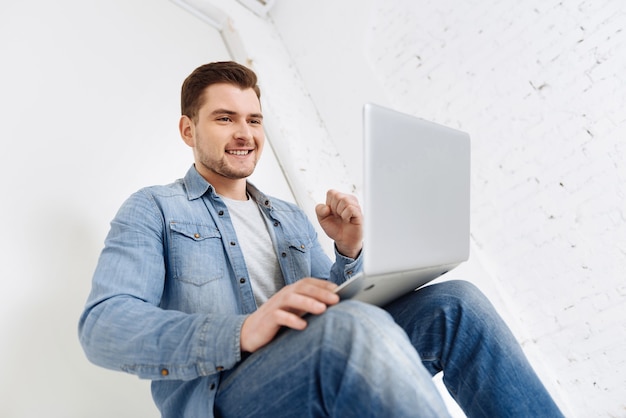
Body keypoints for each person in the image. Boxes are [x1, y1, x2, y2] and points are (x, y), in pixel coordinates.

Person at [78, 61, 563, 417]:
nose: (244, 132)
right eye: (224, 118)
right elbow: (104, 328)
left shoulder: (288, 217)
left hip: (311, 359)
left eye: (254, 119)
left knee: (457, 302)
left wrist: (349, 253)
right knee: (349, 328)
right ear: (189, 129)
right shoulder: (154, 208)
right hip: (224, 397)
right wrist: (240, 332)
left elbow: (327, 307)